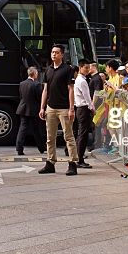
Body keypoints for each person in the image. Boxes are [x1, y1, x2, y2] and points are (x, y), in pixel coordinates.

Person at [38, 44, 78, 176]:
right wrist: (42, 107)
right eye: (52, 52)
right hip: (50, 108)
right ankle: (50, 163)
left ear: (62, 54)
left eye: (56, 52)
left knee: (69, 137)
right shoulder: (48, 70)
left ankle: (72, 163)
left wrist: (71, 108)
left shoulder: (68, 69)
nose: (53, 54)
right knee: (50, 137)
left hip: (64, 108)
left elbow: (71, 89)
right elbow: (45, 90)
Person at [16, 66, 45, 155]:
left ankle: (19, 148)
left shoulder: (22, 84)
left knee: (22, 129)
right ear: (35, 74)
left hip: (23, 109)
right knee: (36, 130)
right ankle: (41, 148)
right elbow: (39, 98)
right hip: (33, 109)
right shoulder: (37, 85)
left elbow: (21, 96)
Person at [73, 60, 94, 169]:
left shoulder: (79, 80)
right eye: (86, 68)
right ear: (80, 68)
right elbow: (87, 97)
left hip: (80, 109)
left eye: (88, 67)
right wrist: (92, 108)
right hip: (83, 109)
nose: (88, 70)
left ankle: (79, 157)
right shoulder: (82, 81)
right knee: (82, 134)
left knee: (81, 134)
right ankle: (79, 159)